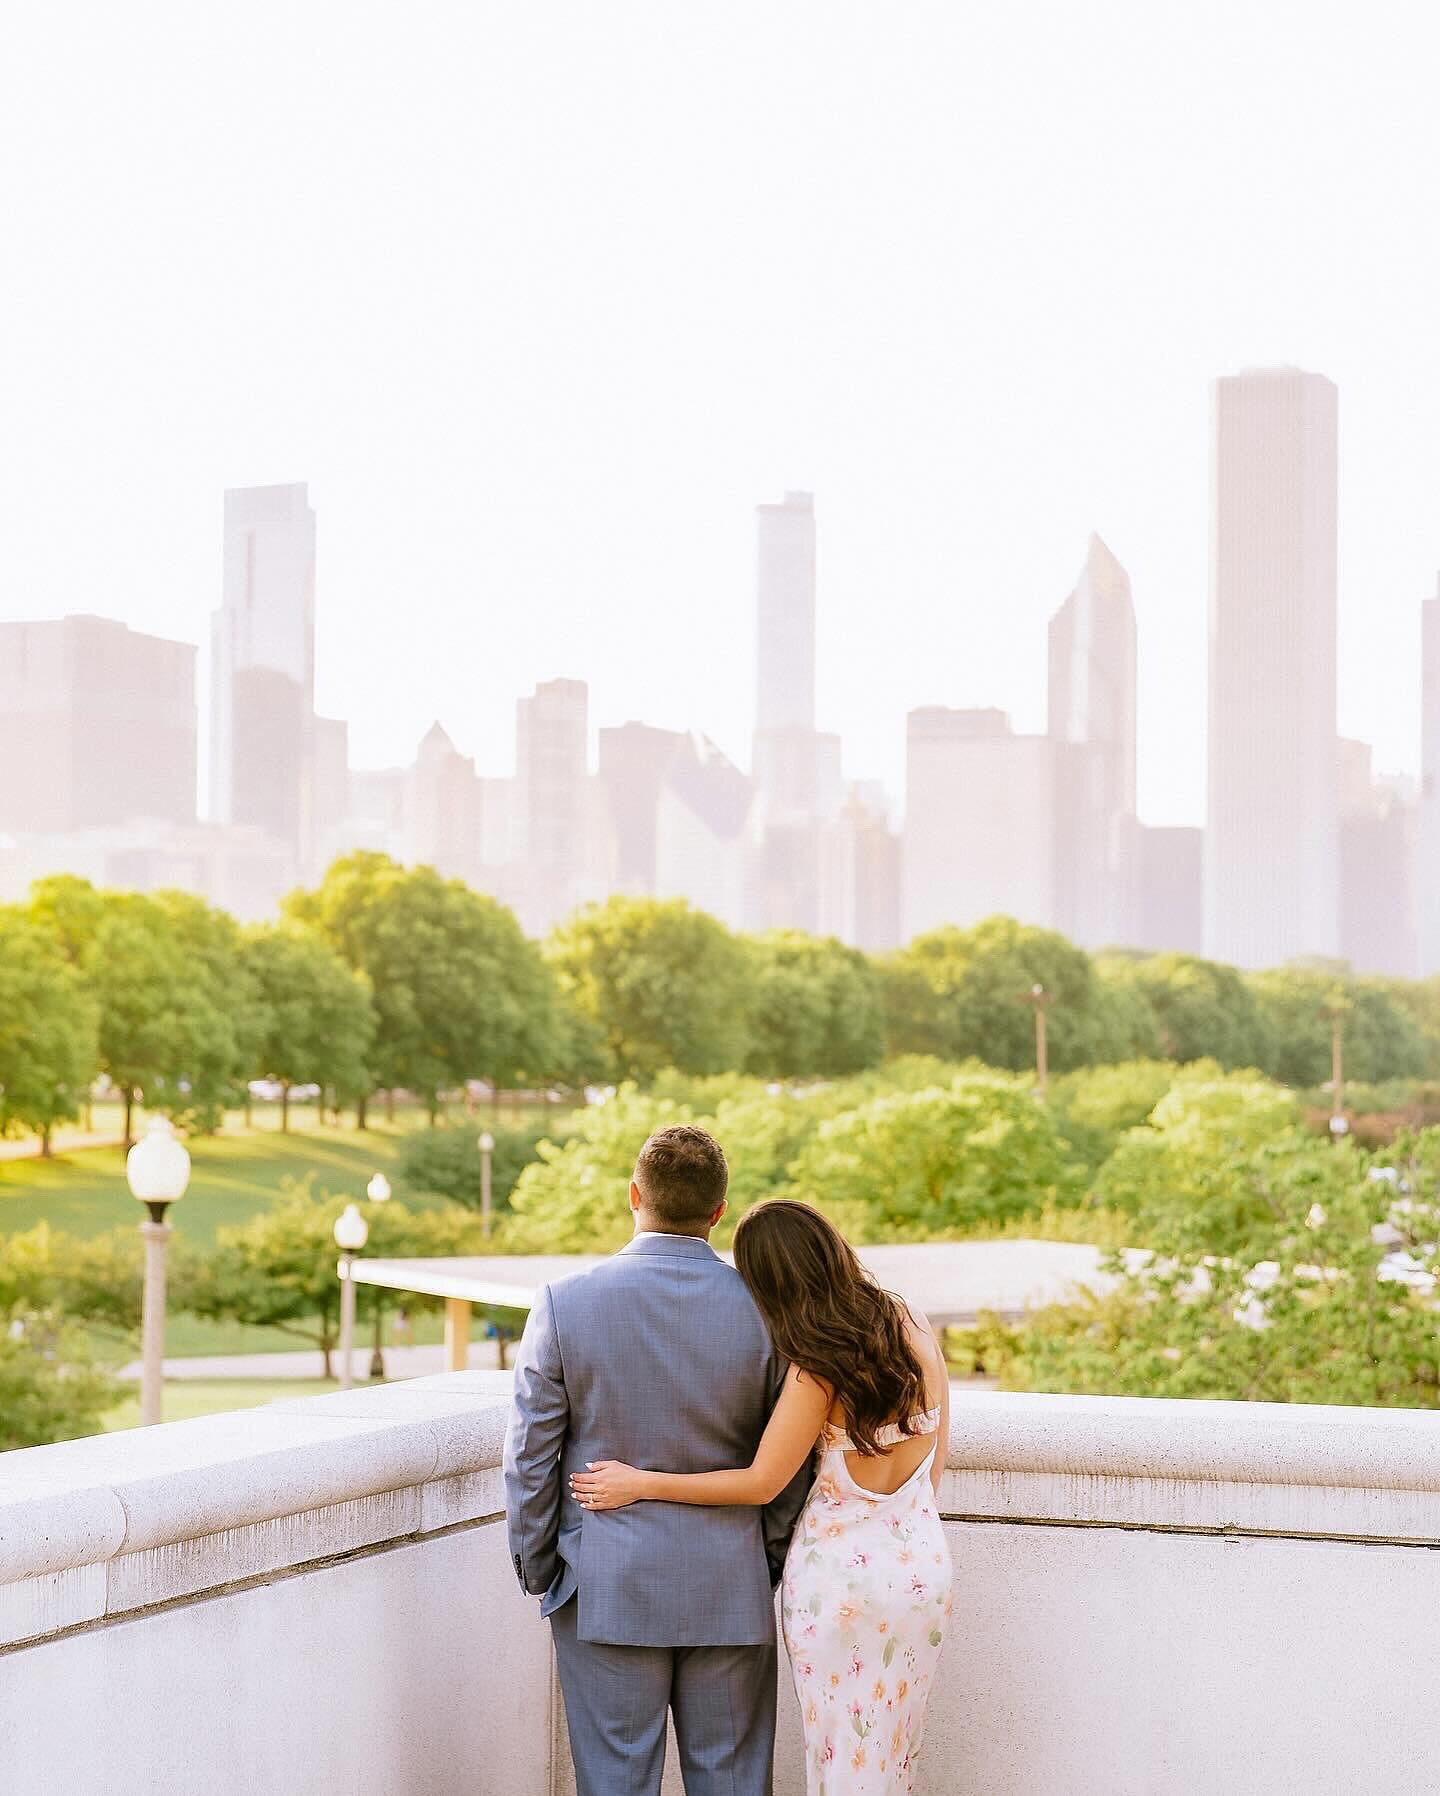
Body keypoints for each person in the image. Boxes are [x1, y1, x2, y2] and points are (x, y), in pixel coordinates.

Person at [571, 1199, 953, 1796]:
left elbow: (760, 1482)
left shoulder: (818, 1369)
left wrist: (642, 1482)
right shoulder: (913, 1325)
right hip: (921, 1571)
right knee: (892, 1752)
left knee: (839, 1750)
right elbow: (934, 1467)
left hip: (840, 1588)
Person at [503, 1126, 810, 1796]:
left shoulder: (564, 1302)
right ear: (718, 1212)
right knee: (732, 1782)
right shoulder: (770, 1313)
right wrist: (765, 1562)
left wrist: (541, 1566)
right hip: (729, 1580)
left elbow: (530, 1455)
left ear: (634, 1195)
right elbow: (792, 1464)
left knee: (615, 1783)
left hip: (603, 1579)